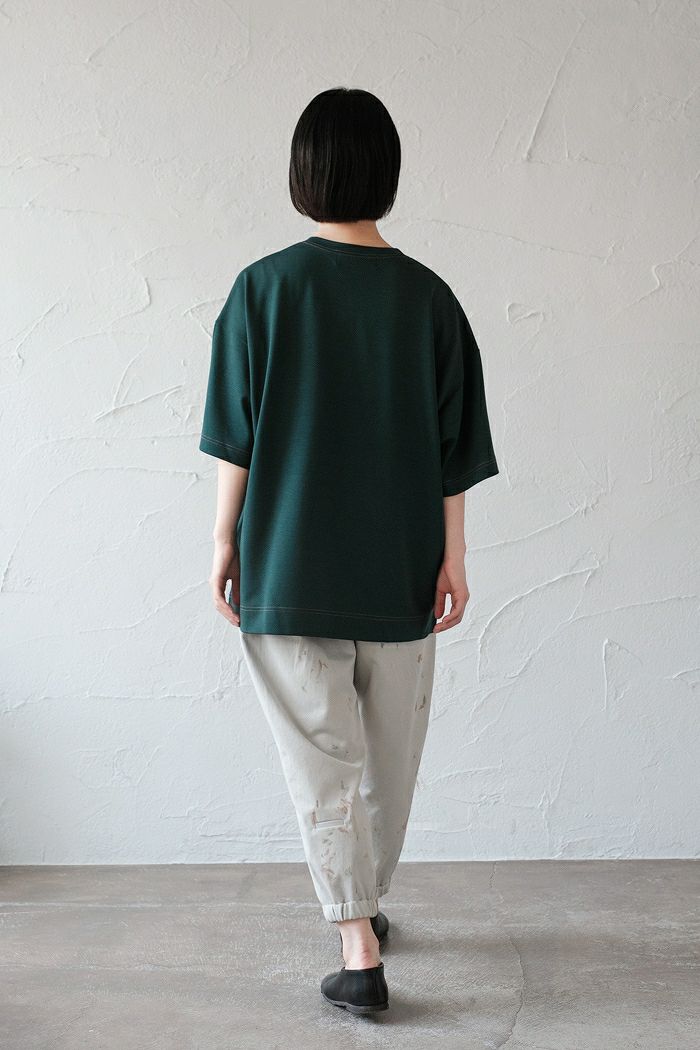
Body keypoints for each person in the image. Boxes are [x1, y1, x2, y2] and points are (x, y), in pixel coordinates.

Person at [199, 87, 499, 1016]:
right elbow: (455, 449)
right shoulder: (430, 298)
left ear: (303, 174)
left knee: (321, 761)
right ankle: (364, 907)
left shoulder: (261, 290)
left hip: (290, 565)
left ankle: (356, 941)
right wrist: (453, 556)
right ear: (387, 174)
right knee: (390, 761)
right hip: (401, 566)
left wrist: (224, 539)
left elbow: (237, 437)